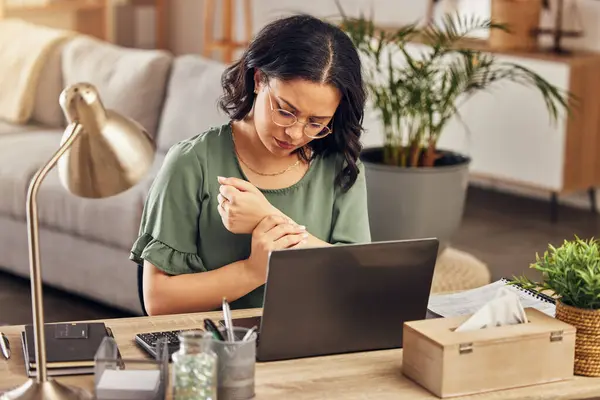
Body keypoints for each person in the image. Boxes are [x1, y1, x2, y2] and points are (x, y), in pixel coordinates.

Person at [130, 14, 371, 316]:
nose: (296, 133)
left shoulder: (341, 168)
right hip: (220, 348)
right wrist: (255, 270)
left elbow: (359, 279)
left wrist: (266, 217)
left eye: (316, 122)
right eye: (285, 111)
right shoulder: (191, 163)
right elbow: (158, 300)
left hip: (316, 345)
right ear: (258, 80)